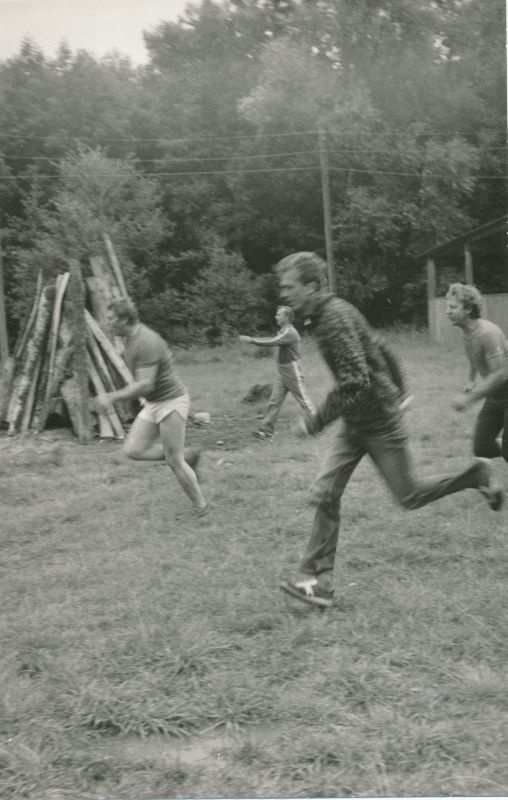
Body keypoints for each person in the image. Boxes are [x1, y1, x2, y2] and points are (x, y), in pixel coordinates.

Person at [274, 252, 504, 609]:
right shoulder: (332, 312)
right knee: (325, 492)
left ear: (311, 286)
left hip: (378, 422)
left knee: (409, 495)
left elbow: (353, 381)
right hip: (358, 420)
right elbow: (379, 346)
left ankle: (476, 473)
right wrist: (401, 388)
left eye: (290, 287)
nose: (284, 294)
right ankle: (319, 583)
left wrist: (314, 422)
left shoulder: (334, 319)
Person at [94, 297, 208, 516]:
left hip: (171, 402)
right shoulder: (128, 338)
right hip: (154, 403)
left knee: (173, 461)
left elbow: (146, 384)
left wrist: (111, 397)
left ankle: (200, 505)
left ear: (125, 319)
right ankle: (189, 456)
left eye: (110, 319)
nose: (107, 324)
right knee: (132, 450)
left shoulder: (146, 341)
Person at [446, 283, 508, 463]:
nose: (447, 311)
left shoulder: (487, 332)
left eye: (452, 307)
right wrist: (471, 380)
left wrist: (470, 399)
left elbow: (500, 374)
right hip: (496, 394)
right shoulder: (467, 332)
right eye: (447, 306)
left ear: (468, 309)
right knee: (482, 447)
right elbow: (474, 356)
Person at [239, 305, 315, 440]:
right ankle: (266, 431)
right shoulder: (283, 331)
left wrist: (252, 340)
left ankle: (318, 423)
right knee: (274, 401)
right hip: (283, 372)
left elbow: (272, 341)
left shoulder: (290, 332)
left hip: (292, 371)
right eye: (277, 314)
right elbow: (272, 339)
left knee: (303, 400)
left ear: (286, 317)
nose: (276, 317)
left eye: (279, 315)